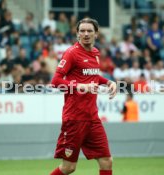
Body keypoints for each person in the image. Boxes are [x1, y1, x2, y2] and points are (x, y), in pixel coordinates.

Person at [50, 18, 117, 175]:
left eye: (89, 31)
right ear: (77, 34)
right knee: (69, 167)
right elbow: (55, 81)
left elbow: (92, 76)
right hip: (75, 118)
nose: (86, 34)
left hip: (92, 118)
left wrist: (108, 82)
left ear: (96, 34)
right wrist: (81, 87)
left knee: (107, 161)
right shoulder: (72, 53)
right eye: (82, 31)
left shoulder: (95, 53)